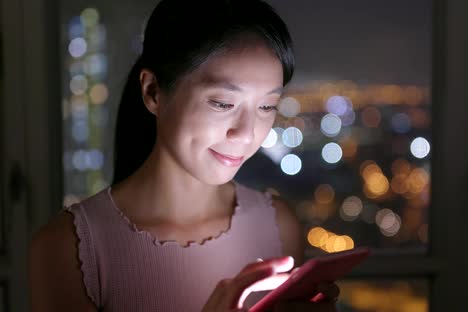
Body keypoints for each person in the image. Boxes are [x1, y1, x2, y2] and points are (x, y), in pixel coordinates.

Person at [28, 0, 338, 311]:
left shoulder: (278, 227)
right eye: (222, 103)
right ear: (153, 92)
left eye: (267, 106)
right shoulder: (70, 249)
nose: (246, 133)